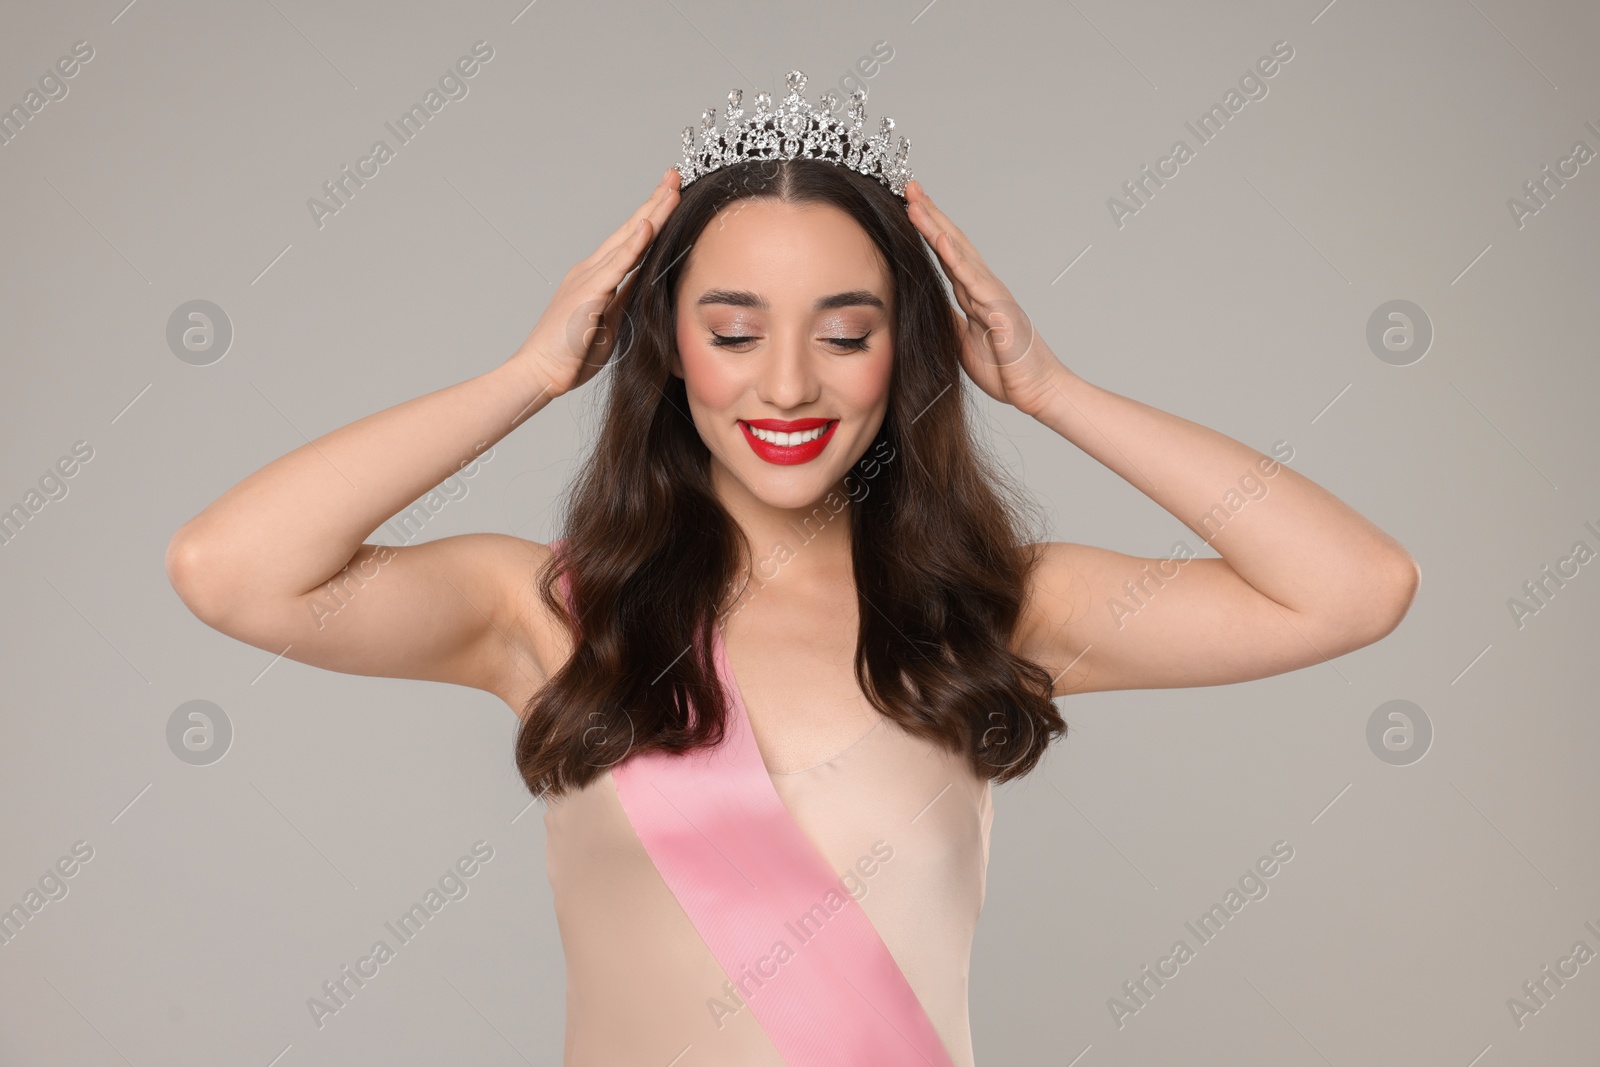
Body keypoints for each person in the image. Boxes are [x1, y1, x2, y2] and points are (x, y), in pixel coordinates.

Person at [165, 72, 1418, 1066]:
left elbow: (1354, 586)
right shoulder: (543, 611)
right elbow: (231, 568)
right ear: (662, 342)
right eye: (732, 330)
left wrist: (1051, 387)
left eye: (844, 331)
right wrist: (529, 374)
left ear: (903, 346)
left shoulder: (990, 605)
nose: (785, 385)